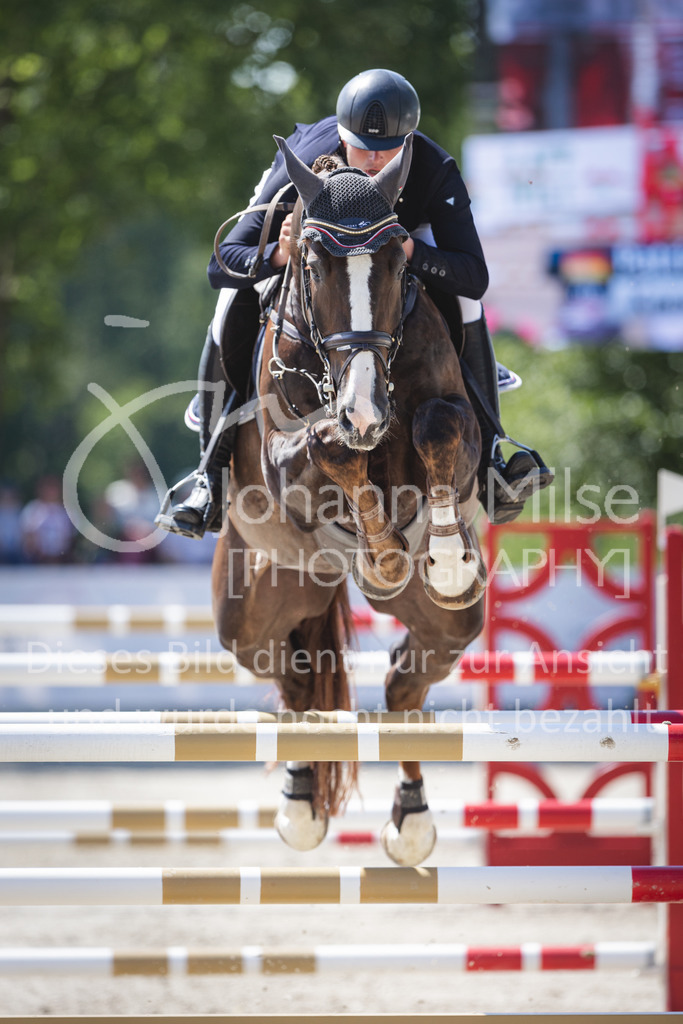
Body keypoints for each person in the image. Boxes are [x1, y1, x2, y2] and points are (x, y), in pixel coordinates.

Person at [156, 69, 552, 539]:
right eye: (364, 148)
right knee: (230, 300)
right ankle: (209, 473)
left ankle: (492, 458)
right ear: (342, 138)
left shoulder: (432, 167)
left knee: (465, 301)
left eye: (390, 149)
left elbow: (474, 275)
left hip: (398, 246)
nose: (376, 160)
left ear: (409, 141)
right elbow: (222, 263)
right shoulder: (302, 164)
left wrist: (411, 250)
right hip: (316, 252)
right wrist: (279, 253)